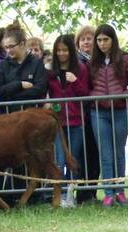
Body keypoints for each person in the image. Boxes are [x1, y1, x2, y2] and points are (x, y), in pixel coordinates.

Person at [0, 22, 47, 206]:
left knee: (34, 156)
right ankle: (15, 194)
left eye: (11, 46)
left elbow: (40, 89)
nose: (8, 50)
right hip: (10, 121)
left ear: (22, 44)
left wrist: (15, 92)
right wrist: (19, 85)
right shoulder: (3, 66)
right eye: (5, 47)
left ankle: (37, 195)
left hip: (32, 120)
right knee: (14, 157)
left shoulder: (36, 63)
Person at [89, 24, 128, 207]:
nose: (102, 44)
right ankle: (108, 193)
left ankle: (120, 191)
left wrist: (124, 94)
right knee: (105, 154)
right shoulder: (92, 62)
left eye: (105, 39)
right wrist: (93, 97)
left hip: (120, 110)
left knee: (119, 152)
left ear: (113, 40)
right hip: (98, 112)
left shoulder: (126, 59)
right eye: (99, 40)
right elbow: (85, 88)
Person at [47, 34, 90, 207]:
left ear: (71, 51)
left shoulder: (81, 69)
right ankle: (61, 195)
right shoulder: (50, 72)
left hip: (76, 121)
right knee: (59, 160)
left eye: (65, 50)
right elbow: (46, 93)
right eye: (59, 50)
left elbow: (85, 93)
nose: (62, 53)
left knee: (74, 158)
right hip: (57, 123)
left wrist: (75, 81)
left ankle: (71, 194)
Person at [74, 25, 100, 204]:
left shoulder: (100, 60)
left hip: (97, 111)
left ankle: (92, 192)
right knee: (82, 154)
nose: (86, 42)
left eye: (89, 38)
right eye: (82, 39)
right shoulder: (76, 62)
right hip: (81, 113)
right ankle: (83, 193)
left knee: (95, 153)